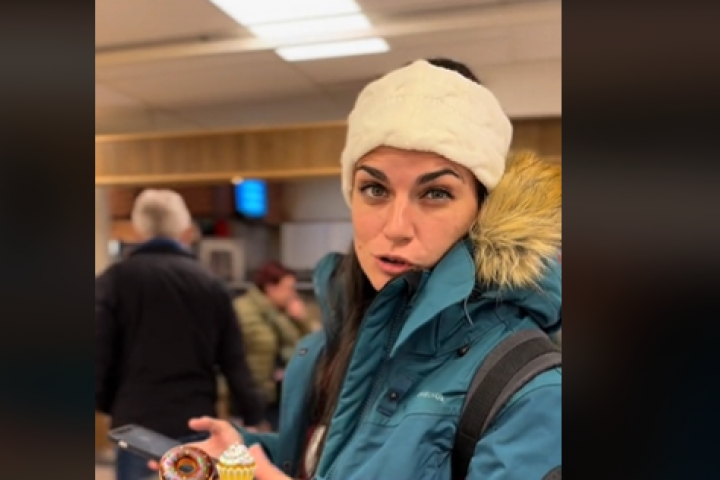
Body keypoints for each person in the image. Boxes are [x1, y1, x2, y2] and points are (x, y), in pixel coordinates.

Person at [151, 58, 561, 479]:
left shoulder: (530, 388)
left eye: (436, 193)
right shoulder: (333, 345)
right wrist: (243, 452)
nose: (396, 227)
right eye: (375, 188)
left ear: (482, 210)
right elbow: (327, 461)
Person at [95, 189, 265, 480]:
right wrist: (253, 416)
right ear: (184, 226)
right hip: (195, 419)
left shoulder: (114, 281)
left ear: (138, 226)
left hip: (136, 423)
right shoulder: (210, 284)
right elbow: (234, 360)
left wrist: (110, 404)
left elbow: (99, 352)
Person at [231, 261, 320, 431]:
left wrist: (302, 321)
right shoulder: (243, 311)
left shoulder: (282, 313)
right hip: (251, 395)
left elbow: (305, 347)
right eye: (289, 288)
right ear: (271, 288)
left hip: (277, 394)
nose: (293, 295)